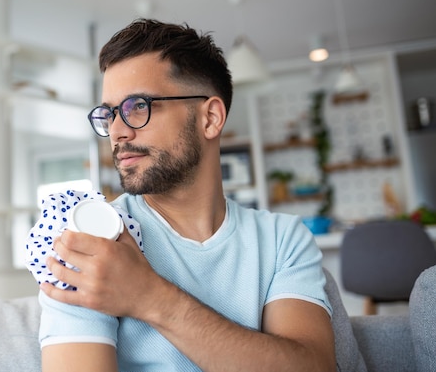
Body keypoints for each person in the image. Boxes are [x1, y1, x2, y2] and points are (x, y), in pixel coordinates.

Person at [33, 18, 336, 372]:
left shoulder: (283, 240)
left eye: (137, 107)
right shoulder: (90, 241)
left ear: (210, 118)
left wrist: (149, 296)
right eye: (110, 114)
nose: (117, 132)